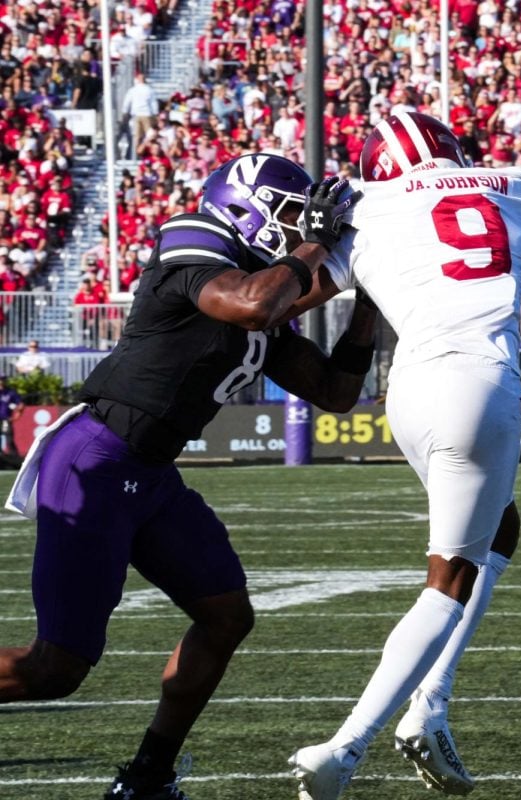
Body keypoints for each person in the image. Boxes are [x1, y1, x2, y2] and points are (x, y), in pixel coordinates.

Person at [0, 153, 370, 800]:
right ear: (241, 210)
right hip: (97, 457)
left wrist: (373, 298)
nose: (294, 230)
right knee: (53, 670)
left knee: (225, 617)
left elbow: (336, 391)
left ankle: (148, 776)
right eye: (286, 217)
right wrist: (314, 248)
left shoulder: (262, 290)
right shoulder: (193, 240)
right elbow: (254, 305)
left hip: (148, 472)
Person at [286, 112, 521, 799]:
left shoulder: (365, 207)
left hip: (409, 391)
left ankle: (432, 705)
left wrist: (313, 245)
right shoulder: (511, 182)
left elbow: (297, 296)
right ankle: (347, 748)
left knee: (497, 525)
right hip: (477, 384)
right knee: (448, 580)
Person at [0, 374, 23, 461]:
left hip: (6, 419)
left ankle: (15, 459)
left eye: (2, 379)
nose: (1, 381)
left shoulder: (10, 393)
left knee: (9, 440)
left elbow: (20, 405)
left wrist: (17, 415)